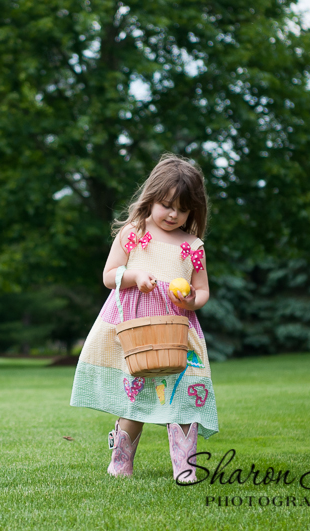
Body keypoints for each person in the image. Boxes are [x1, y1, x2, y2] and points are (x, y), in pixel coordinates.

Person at [70, 153, 218, 482]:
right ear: (151, 199)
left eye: (183, 209)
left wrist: (192, 299)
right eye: (167, 205)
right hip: (137, 329)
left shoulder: (192, 246)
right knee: (134, 394)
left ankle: (185, 466)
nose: (173, 214)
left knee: (183, 395)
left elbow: (203, 290)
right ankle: (121, 462)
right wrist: (134, 276)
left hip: (176, 331)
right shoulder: (134, 233)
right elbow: (110, 276)